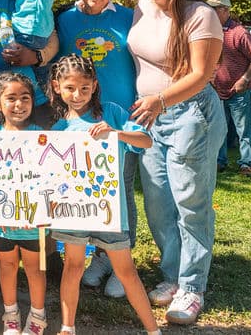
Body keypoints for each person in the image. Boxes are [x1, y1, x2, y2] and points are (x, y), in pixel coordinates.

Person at [126, 0, 224, 326]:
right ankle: (172, 275)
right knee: (158, 202)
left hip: (190, 115)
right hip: (149, 117)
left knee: (190, 203)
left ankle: (192, 286)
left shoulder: (200, 15)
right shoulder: (142, 9)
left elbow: (200, 75)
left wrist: (160, 101)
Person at [48, 55, 161, 335]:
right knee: (72, 267)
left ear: (95, 86)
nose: (77, 95)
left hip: (111, 212)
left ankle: (153, 330)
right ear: (57, 86)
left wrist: (117, 134)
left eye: (84, 89)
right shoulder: (58, 127)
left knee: (126, 271)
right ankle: (67, 327)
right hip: (73, 214)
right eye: (70, 88)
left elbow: (146, 140)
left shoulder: (111, 112)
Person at [54, 0, 138, 296]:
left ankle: (121, 261)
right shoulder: (65, 20)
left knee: (122, 190)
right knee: (87, 190)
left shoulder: (130, 18)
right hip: (78, 121)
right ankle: (100, 256)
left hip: (118, 115)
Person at [0, 72, 49, 335]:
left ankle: (38, 316)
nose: (19, 104)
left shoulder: (44, 137)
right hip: (2, 221)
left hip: (35, 222)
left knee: (35, 268)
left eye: (25, 98)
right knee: (7, 265)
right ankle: (10, 315)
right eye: (10, 98)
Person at [206, 0, 251, 176]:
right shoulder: (209, 31)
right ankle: (220, 161)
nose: (210, 13)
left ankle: (246, 164)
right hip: (217, 90)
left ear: (225, 10)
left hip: (240, 91)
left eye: (214, 9)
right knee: (219, 129)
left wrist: (244, 80)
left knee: (243, 130)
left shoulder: (239, 33)